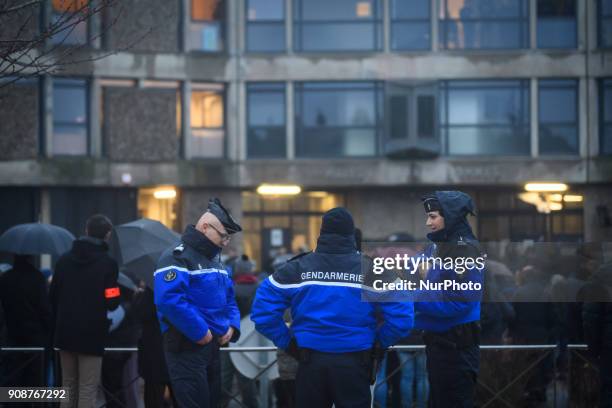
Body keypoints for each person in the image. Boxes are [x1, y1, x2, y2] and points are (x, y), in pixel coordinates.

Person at [251, 207, 414, 408]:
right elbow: (403, 318)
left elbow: (262, 313)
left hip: (309, 361)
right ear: (350, 234)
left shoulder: (297, 268)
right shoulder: (374, 270)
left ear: (322, 233)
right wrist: (378, 343)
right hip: (355, 362)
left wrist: (288, 343)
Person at [155, 198, 242, 408]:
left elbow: (229, 298)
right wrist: (200, 331)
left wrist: (231, 325)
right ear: (205, 227)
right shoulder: (176, 257)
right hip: (187, 345)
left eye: (228, 237)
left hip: (212, 345)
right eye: (223, 236)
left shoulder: (216, 260)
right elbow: (170, 299)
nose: (225, 242)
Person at [415, 191, 484, 408]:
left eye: (433, 216)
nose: (428, 223)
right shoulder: (437, 247)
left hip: (456, 350)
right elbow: (411, 273)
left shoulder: (464, 251)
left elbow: (458, 303)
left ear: (451, 216)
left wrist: (416, 292)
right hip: (440, 346)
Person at [49, 214, 121, 408]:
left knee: (68, 386)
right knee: (87, 388)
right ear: (107, 235)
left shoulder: (63, 261)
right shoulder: (108, 264)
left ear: (86, 231)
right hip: (92, 334)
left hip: (65, 332)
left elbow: (53, 295)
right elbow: (112, 301)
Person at [0, 254, 52, 387]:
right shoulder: (37, 278)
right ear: (31, 258)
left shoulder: (6, 278)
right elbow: (44, 308)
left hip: (12, 335)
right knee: (35, 378)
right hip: (35, 336)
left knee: (13, 376)